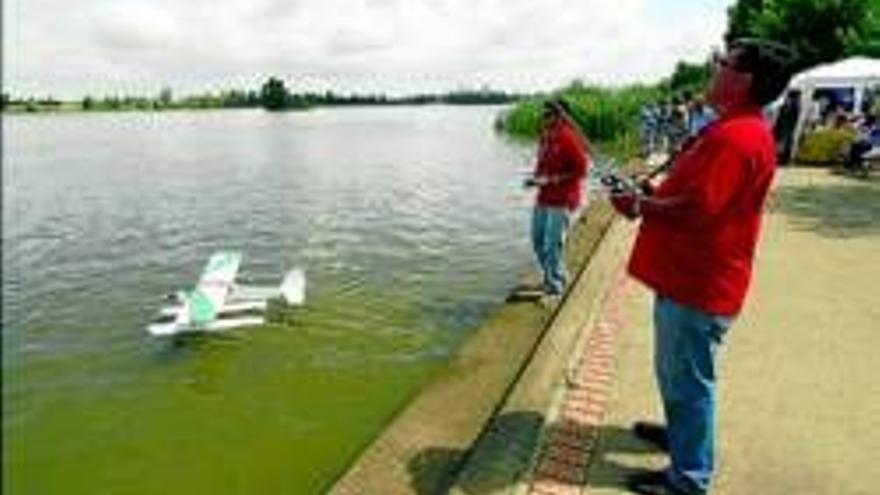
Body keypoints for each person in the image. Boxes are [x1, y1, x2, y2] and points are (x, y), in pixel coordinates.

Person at [608, 38, 795, 495]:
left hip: (698, 284)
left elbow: (697, 210)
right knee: (678, 374)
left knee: (689, 381)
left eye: (722, 64)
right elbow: (695, 194)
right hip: (690, 278)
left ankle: (689, 480)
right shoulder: (734, 128)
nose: (714, 69)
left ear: (742, 79)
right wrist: (648, 196)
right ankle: (682, 437)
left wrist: (642, 204)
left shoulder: (736, 137)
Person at [523, 99, 591, 297]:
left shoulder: (569, 138)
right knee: (537, 239)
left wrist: (553, 179)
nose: (544, 117)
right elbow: (541, 164)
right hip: (544, 197)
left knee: (552, 244)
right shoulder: (546, 137)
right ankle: (551, 276)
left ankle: (555, 284)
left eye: (549, 114)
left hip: (563, 199)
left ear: (560, 116)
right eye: (544, 114)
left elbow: (582, 170)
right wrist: (535, 179)